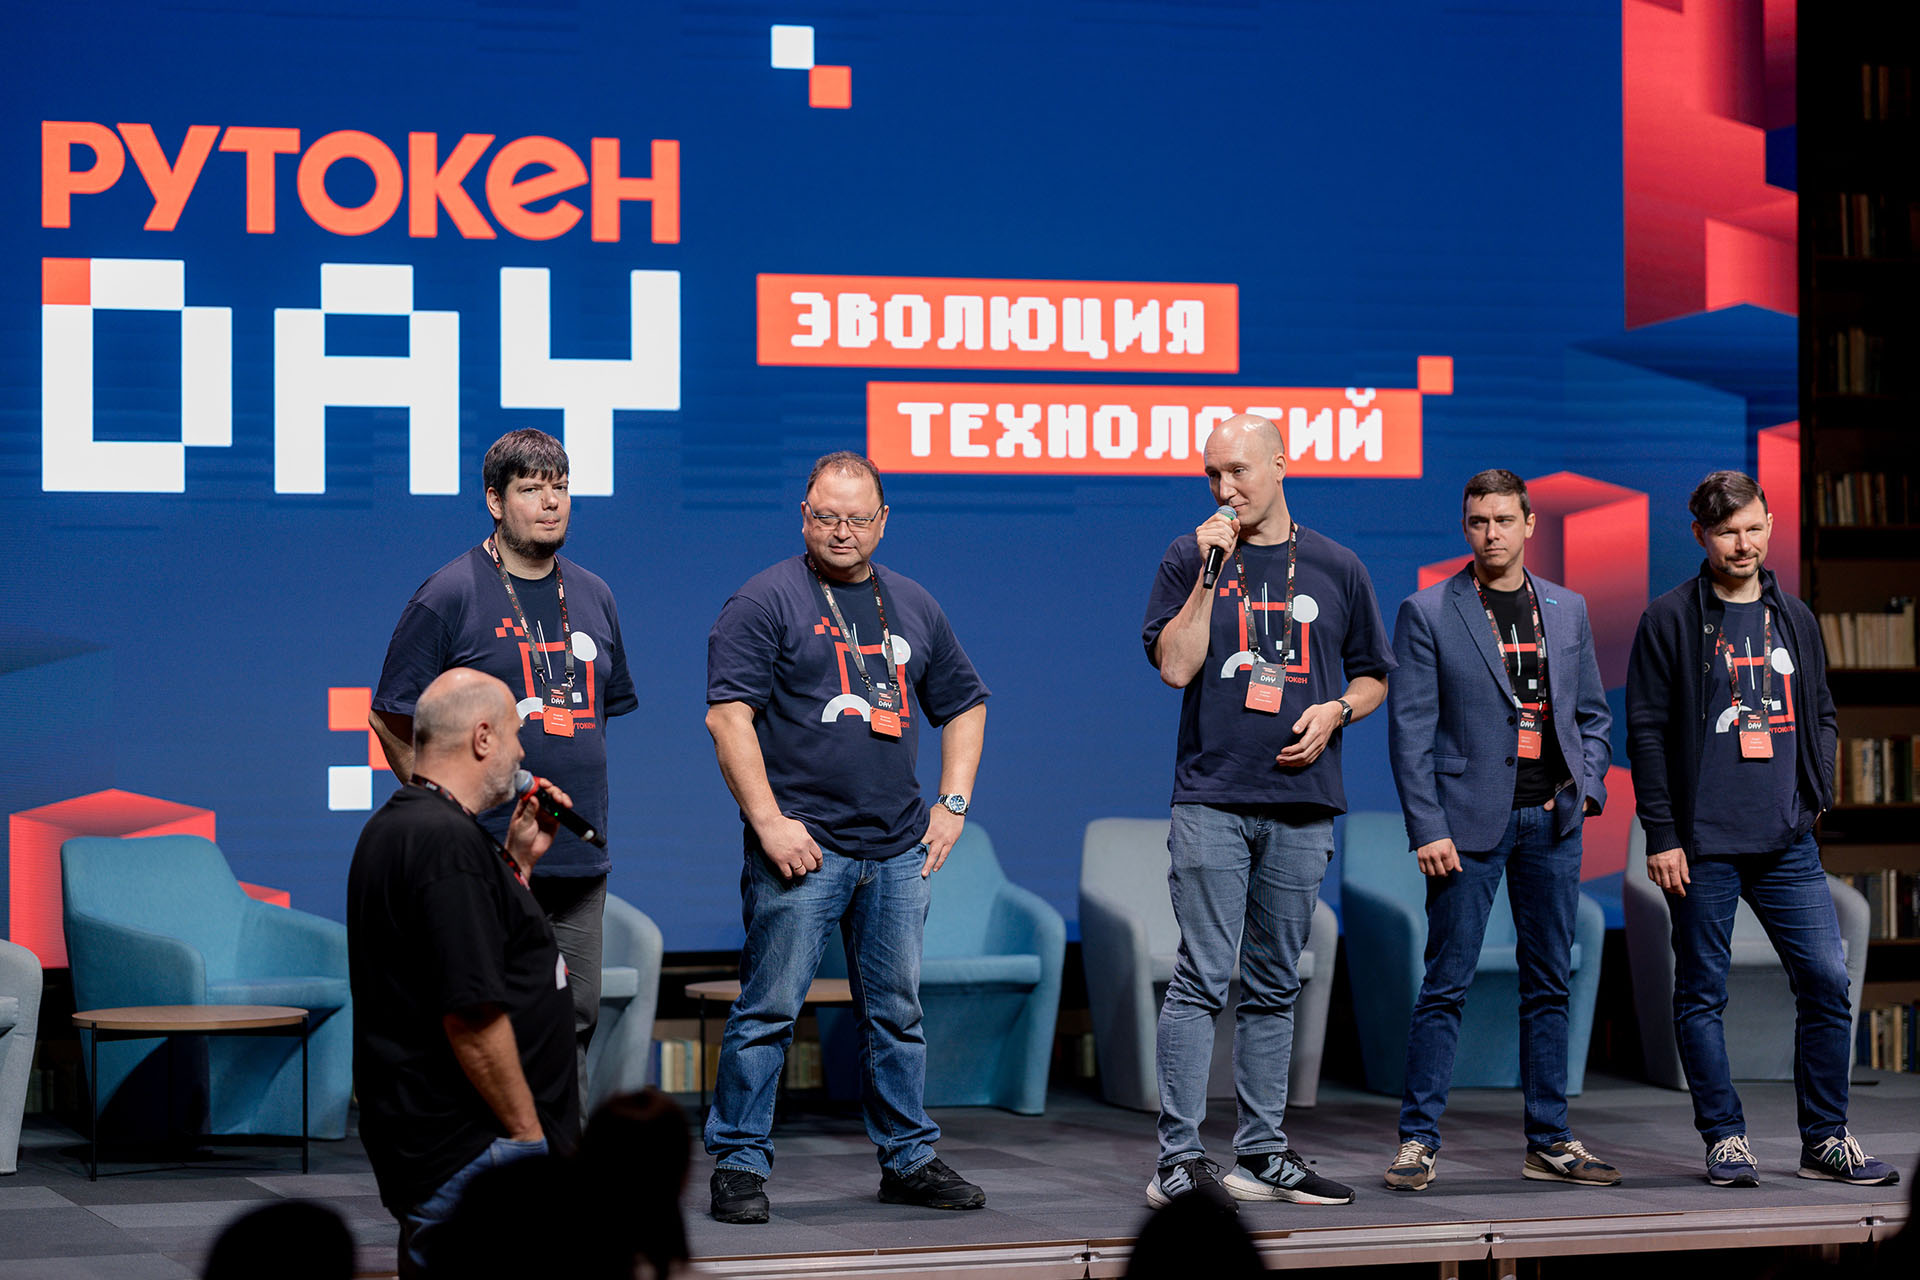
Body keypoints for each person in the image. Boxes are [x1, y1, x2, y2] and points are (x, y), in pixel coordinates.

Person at [703, 451, 990, 1223]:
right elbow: (728, 719)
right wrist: (769, 822)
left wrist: (953, 802)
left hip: (896, 850)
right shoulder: (763, 601)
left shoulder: (914, 603)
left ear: (882, 521)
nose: (841, 531)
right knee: (768, 1013)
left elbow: (964, 703)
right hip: (806, 850)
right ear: (804, 516)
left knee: (897, 1016)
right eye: (826, 516)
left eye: (857, 518)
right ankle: (738, 1163)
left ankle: (909, 1159)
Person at [1141, 414, 1394, 1211]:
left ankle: (1262, 1153)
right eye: (1212, 474)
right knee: (1201, 977)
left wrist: (1337, 711)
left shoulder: (1337, 565)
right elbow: (1175, 668)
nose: (1225, 489)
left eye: (1240, 472)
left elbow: (1373, 675)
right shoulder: (1188, 556)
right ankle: (1179, 1160)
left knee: (1276, 981)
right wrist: (1207, 574)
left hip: (1302, 802)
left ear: (1282, 465)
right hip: (1213, 796)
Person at [1628, 470, 1898, 1188]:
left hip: (1786, 842)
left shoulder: (1796, 617)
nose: (1742, 544)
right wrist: (1662, 835)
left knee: (1827, 980)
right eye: (1726, 532)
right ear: (1701, 536)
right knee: (1701, 993)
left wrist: (1817, 790)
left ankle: (1825, 1139)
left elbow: (1823, 712)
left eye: (1753, 528)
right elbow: (1646, 733)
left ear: (1770, 525)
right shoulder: (1669, 619)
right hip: (1703, 845)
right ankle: (1724, 1138)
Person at [371, 429, 637, 1117]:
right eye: (531, 489)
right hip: (484, 859)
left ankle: (562, 1162)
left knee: (572, 1019)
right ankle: (491, 1165)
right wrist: (447, 823)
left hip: (575, 858)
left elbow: (595, 720)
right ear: (495, 500)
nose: (551, 503)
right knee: (486, 1017)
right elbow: (391, 716)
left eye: (560, 487)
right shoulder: (449, 594)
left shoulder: (596, 595)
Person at [1382, 469, 1619, 1192]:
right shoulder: (1428, 611)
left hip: (1552, 821)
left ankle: (1549, 1140)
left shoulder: (1568, 609)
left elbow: (1593, 716)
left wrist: (1588, 787)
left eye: (1504, 520)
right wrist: (1427, 826)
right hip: (1465, 827)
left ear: (1529, 524)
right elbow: (1410, 732)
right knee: (1445, 985)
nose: (1492, 533)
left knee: (1549, 984)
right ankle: (1417, 1142)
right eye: (1479, 521)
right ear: (1466, 527)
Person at [347, 668, 581, 1275]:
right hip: (475, 1151)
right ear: (482, 738)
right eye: (514, 735)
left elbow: (470, 947)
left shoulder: (408, 825)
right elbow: (471, 1014)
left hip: (448, 1144)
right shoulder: (443, 843)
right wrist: (528, 1137)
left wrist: (518, 863)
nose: (522, 753)